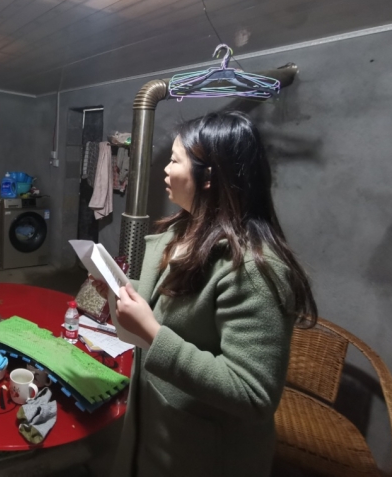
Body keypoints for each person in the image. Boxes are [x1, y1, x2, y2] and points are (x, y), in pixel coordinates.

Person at [99, 111, 316, 477]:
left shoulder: (253, 268)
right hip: (156, 427)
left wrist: (151, 332)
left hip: (203, 450)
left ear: (209, 177)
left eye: (174, 160)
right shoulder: (180, 232)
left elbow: (253, 393)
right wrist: (119, 288)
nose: (165, 169)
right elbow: (168, 303)